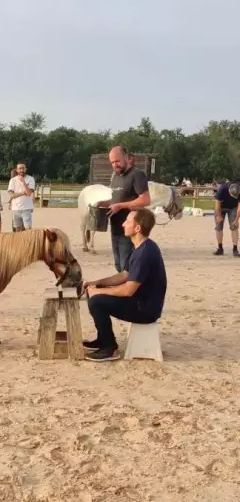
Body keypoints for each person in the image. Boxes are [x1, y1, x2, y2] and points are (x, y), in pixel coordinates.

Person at [83, 208, 167, 362]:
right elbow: (125, 275)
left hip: (146, 309)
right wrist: (97, 284)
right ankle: (103, 339)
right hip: (141, 301)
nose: (122, 224)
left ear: (137, 228)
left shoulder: (144, 253)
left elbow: (128, 290)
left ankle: (109, 348)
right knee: (96, 294)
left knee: (97, 301)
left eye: (127, 221)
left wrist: (98, 293)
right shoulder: (141, 247)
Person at [104, 145, 150, 273]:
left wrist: (120, 206)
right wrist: (102, 203)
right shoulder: (115, 177)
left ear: (125, 157)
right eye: (112, 162)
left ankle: (131, 292)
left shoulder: (137, 175)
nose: (115, 165)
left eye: (117, 161)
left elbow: (145, 200)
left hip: (130, 230)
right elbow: (115, 200)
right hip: (115, 229)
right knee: (118, 266)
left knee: (127, 268)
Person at [213, 181, 240, 256]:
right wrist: (218, 216)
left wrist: (236, 220)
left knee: (234, 227)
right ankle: (220, 248)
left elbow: (239, 207)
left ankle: (235, 249)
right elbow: (217, 204)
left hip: (233, 208)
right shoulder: (222, 189)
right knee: (219, 227)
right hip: (221, 207)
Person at [8, 163, 35, 231]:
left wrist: (23, 182)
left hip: (26, 208)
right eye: (20, 168)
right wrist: (23, 192)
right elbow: (11, 195)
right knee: (17, 229)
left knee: (28, 229)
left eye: (23, 168)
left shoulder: (30, 179)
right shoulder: (13, 180)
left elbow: (29, 193)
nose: (21, 170)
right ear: (17, 170)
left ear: (25, 169)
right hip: (16, 208)